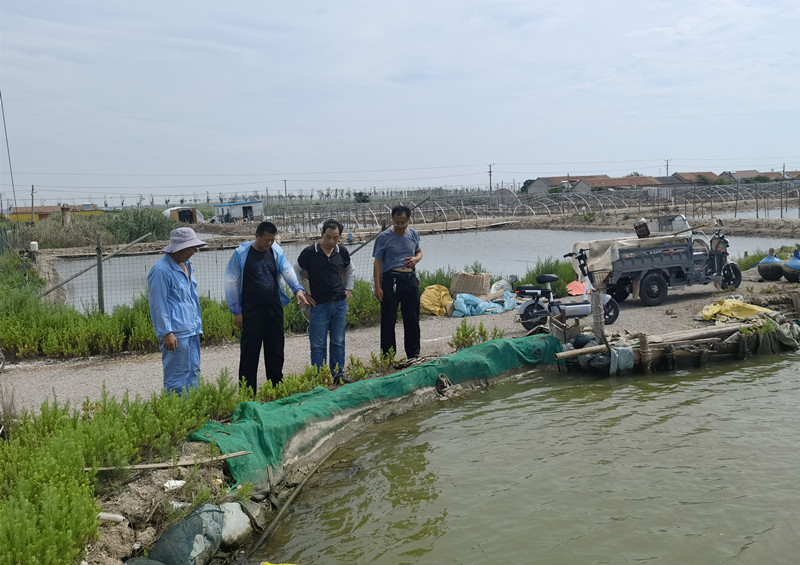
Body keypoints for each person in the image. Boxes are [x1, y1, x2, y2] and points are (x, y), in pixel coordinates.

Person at [224, 221, 308, 392]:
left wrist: (298, 290)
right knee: (249, 354)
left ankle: (276, 390)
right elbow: (231, 281)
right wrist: (236, 311)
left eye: (272, 240)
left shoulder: (276, 251)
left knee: (276, 352)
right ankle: (248, 394)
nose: (269, 243)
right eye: (266, 240)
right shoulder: (241, 254)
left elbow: (287, 270)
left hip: (274, 310)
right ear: (257, 236)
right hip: (251, 312)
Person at [294, 218, 355, 384]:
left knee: (338, 341)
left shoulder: (342, 251)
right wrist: (303, 293)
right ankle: (320, 377)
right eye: (328, 237)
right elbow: (296, 270)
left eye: (335, 238)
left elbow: (350, 268)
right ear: (322, 234)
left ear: (340, 237)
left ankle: (338, 374)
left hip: (339, 303)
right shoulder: (310, 252)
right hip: (318, 305)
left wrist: (348, 289)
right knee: (318, 344)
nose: (331, 241)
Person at [147, 227, 207, 395]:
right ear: (177, 248)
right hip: (176, 333)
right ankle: (176, 409)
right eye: (190, 248)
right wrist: (166, 332)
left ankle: (192, 406)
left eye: (195, 248)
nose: (193, 252)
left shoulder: (186, 265)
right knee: (177, 377)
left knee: (193, 371)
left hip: (192, 329)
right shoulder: (161, 271)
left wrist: (197, 325)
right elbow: (158, 304)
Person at [372, 205, 423, 359]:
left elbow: (419, 251)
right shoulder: (383, 237)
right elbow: (377, 262)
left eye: (403, 222)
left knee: (412, 319)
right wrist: (377, 286)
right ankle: (388, 357)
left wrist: (416, 259)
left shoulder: (413, 234)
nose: (400, 225)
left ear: (409, 220)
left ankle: (413, 355)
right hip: (391, 280)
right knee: (388, 320)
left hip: (410, 279)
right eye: (396, 222)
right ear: (392, 220)